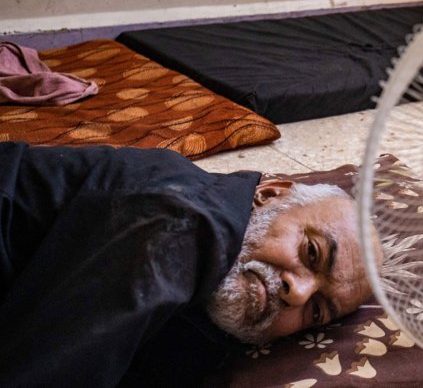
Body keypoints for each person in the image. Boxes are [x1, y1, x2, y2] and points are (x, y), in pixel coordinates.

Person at [0, 142, 381, 387]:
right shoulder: (185, 221)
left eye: (317, 310)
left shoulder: (220, 301)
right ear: (268, 194)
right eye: (310, 253)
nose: (297, 293)